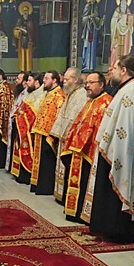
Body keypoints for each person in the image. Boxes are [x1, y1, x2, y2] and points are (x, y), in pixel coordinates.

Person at [82, 55, 134, 242]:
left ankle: (118, 231)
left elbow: (125, 129)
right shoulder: (128, 88)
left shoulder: (132, 91)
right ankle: (107, 227)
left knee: (116, 188)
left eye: (114, 68)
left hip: (121, 151)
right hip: (114, 148)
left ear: (124, 70)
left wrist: (115, 149)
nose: (111, 72)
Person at [62, 72, 113, 222]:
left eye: (91, 83)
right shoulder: (90, 101)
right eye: (87, 83)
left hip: (90, 152)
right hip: (79, 150)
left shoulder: (106, 103)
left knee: (86, 183)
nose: (87, 86)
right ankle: (75, 212)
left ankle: (84, 214)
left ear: (101, 84)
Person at [50, 68, 88, 202]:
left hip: (71, 140)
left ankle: (67, 198)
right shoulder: (71, 93)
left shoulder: (82, 95)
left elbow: (75, 119)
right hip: (64, 138)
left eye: (67, 79)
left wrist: (66, 135)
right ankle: (60, 195)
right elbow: (63, 115)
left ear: (76, 80)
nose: (63, 82)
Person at [29, 71, 66, 195]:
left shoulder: (59, 95)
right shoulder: (49, 93)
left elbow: (58, 117)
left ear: (54, 80)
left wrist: (52, 134)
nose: (43, 81)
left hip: (48, 135)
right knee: (40, 162)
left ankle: (46, 188)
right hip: (40, 133)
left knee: (47, 163)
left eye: (46, 78)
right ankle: (38, 185)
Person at [11, 73, 46, 184]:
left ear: (37, 83)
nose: (27, 83)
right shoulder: (31, 94)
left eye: (29, 80)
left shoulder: (41, 96)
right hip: (22, 128)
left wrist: (21, 116)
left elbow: (34, 115)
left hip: (30, 131)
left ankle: (26, 176)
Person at [5, 71, 28, 172]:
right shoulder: (20, 93)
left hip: (21, 125)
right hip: (15, 123)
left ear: (24, 82)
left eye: (18, 79)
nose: (16, 81)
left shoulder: (27, 94)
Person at [109, 0, 134, 68]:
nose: (123, 3)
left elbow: (130, 22)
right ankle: (115, 65)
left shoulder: (128, 10)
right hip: (118, 31)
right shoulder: (118, 10)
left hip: (126, 33)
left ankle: (125, 65)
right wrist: (118, 18)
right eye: (122, 2)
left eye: (125, 2)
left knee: (125, 49)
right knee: (116, 48)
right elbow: (113, 21)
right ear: (120, 2)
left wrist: (129, 22)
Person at [14, 5, 36, 72]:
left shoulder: (31, 20)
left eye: (26, 10)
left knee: (28, 55)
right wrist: (19, 30)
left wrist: (28, 31)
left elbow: (33, 31)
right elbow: (16, 29)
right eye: (24, 11)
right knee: (22, 55)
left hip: (29, 40)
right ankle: (22, 69)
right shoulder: (19, 20)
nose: (25, 12)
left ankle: (29, 69)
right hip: (21, 39)